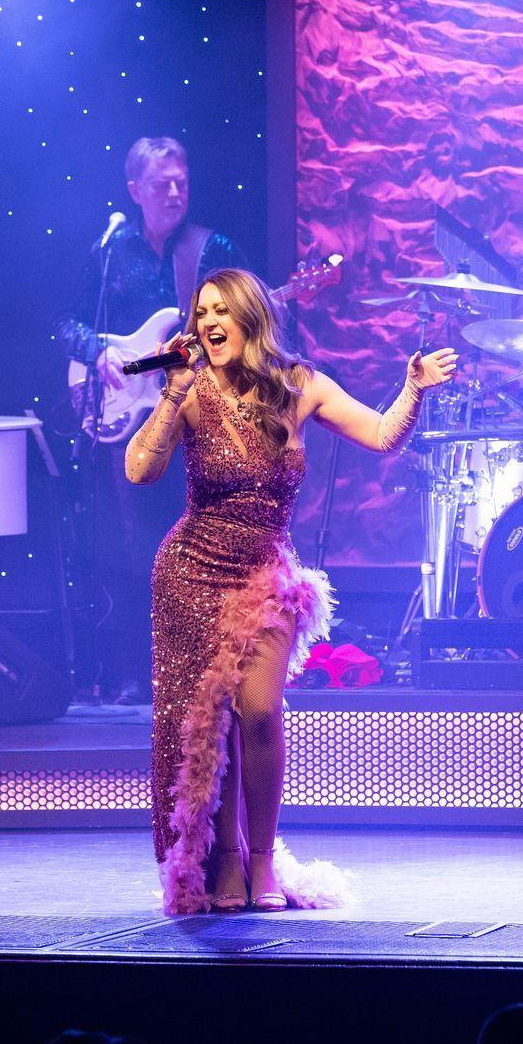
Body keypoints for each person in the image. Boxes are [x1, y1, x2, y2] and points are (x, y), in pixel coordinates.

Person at [124, 268, 455, 914]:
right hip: (191, 574)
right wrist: (171, 393)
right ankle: (222, 861)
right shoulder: (192, 391)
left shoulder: (300, 386)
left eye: (221, 310)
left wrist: (413, 389)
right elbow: (140, 469)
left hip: (266, 576)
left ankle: (260, 858)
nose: (208, 322)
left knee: (261, 711)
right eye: (201, 312)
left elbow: (383, 434)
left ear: (249, 317)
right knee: (207, 725)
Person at [55, 138, 250, 705]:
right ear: (135, 190)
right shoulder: (110, 251)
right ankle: (136, 672)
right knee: (130, 547)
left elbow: (246, 326)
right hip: (131, 421)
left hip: (201, 419)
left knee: (199, 544)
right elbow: (66, 321)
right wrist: (99, 352)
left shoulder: (212, 248)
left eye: (181, 181)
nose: (174, 191)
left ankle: (208, 673)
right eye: (161, 183)